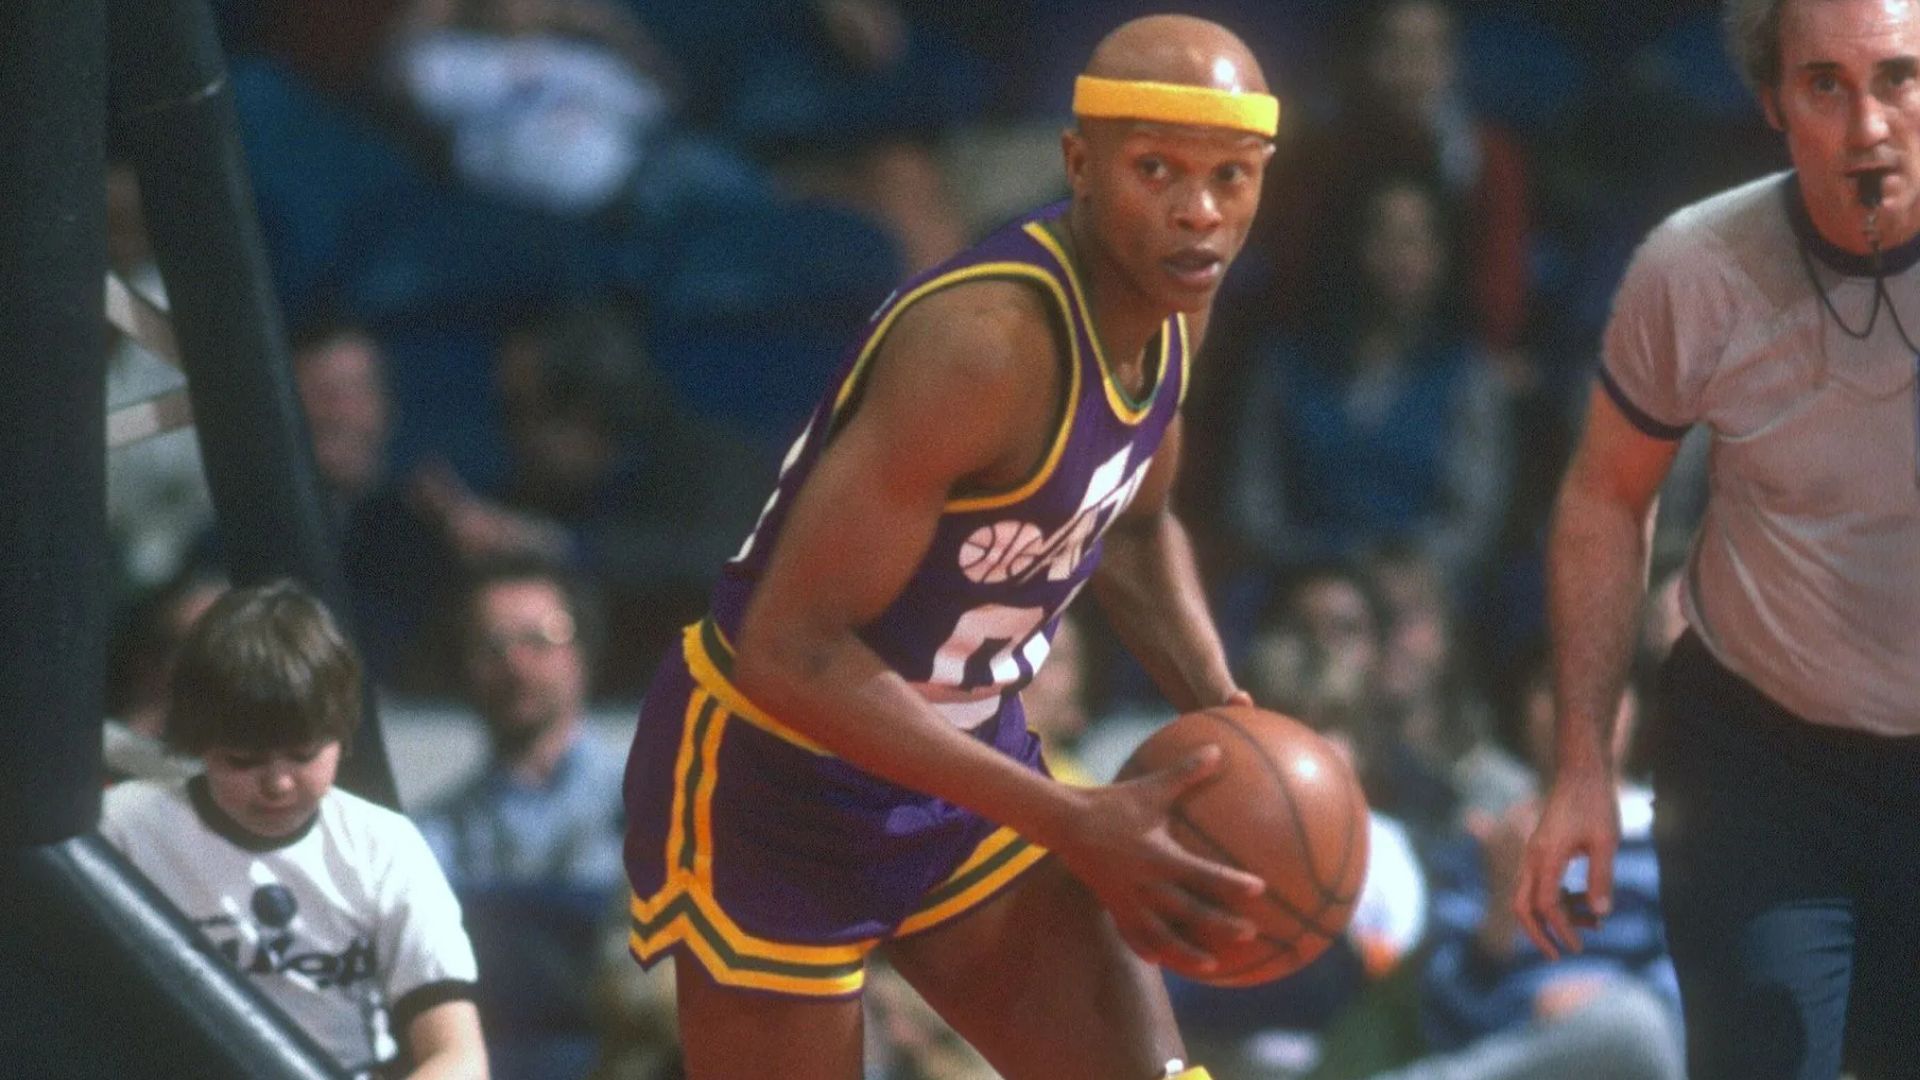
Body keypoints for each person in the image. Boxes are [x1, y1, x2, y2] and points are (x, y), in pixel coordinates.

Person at [620, 14, 1279, 1079]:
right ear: (1079, 162)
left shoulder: (1172, 307)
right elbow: (794, 651)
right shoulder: (986, 347)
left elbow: (1138, 525)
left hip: (958, 760)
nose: (1198, 213)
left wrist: (1229, 715)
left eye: (1231, 178)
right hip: (774, 776)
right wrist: (1069, 816)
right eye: (1158, 170)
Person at [1515, 2, 1920, 1077]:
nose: (1869, 126)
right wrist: (1582, 765)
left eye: (1899, 79)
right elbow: (1604, 498)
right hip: (1762, 754)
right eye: (1826, 85)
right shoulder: (1695, 267)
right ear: (1774, 103)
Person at [98, 581, 488, 1080]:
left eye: (304, 756)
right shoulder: (123, 829)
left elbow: (459, 1056)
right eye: (244, 761)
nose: (278, 784)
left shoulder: (383, 846)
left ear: (342, 737)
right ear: (200, 744)